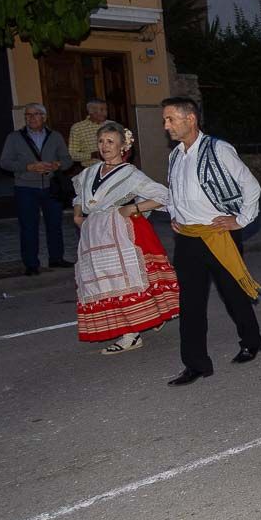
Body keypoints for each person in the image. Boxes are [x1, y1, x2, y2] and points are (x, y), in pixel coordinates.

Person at [162, 96, 261, 387]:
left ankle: (251, 341)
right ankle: (195, 364)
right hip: (188, 239)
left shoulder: (218, 149)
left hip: (219, 234)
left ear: (190, 119)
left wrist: (240, 220)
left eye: (171, 119)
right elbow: (175, 191)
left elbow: (251, 186)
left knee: (233, 293)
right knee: (190, 302)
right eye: (165, 120)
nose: (166, 125)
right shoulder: (175, 155)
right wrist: (174, 213)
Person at [72, 123, 179, 353]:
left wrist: (134, 209)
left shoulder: (130, 174)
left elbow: (163, 195)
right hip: (93, 235)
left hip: (118, 231)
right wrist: (78, 214)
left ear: (123, 146)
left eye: (111, 141)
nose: (105, 146)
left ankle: (131, 334)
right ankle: (148, 317)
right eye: (101, 141)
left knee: (123, 279)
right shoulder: (90, 172)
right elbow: (79, 195)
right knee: (103, 280)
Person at [0, 103, 74, 276]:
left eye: (36, 114)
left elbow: (67, 160)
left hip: (51, 187)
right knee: (28, 227)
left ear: (44, 117)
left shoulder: (55, 136)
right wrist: (28, 167)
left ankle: (56, 258)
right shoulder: (14, 137)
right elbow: (4, 162)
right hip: (25, 188)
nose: (31, 118)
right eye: (28, 115)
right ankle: (31, 264)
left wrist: (57, 165)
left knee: (54, 225)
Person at [68, 99, 110, 169]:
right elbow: (72, 154)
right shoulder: (78, 128)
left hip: (114, 168)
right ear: (91, 112)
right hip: (91, 170)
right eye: (102, 110)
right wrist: (92, 155)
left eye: (106, 110)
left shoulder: (112, 125)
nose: (105, 113)